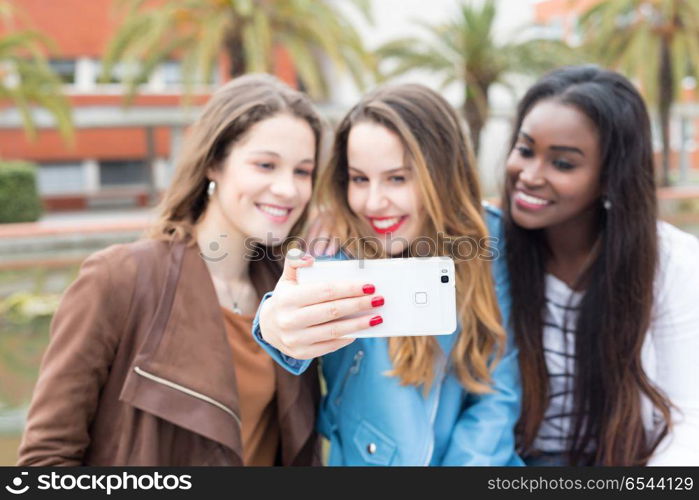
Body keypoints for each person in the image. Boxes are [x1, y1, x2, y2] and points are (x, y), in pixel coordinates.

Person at [17, 74, 323, 466]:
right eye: (266, 165)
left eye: (303, 171)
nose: (288, 189)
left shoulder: (291, 291)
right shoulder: (118, 279)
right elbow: (45, 460)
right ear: (214, 163)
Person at [254, 83, 523, 465]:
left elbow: (499, 390)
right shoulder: (335, 245)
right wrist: (274, 325)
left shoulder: (487, 238)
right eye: (359, 179)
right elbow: (291, 318)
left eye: (397, 178)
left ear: (442, 176)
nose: (374, 203)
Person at [503, 65, 699, 466]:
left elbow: (688, 420)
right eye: (525, 150)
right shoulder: (487, 249)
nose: (529, 175)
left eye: (563, 164)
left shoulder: (672, 261)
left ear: (611, 177)